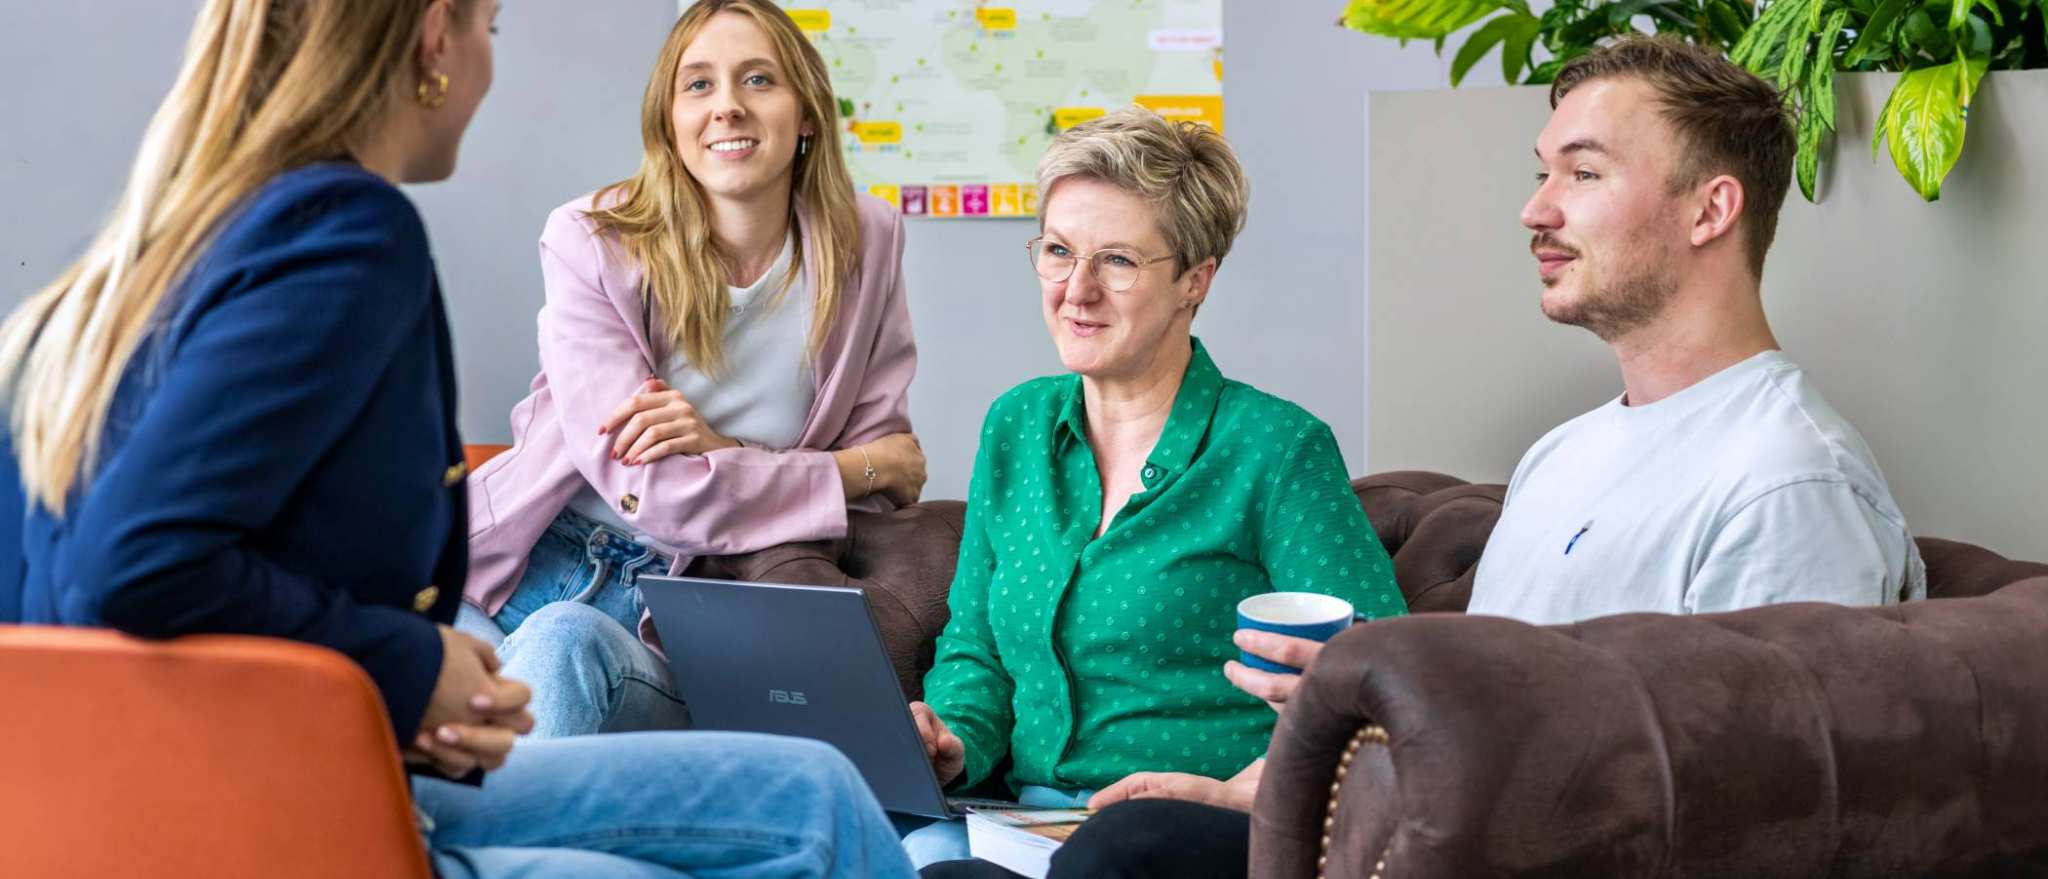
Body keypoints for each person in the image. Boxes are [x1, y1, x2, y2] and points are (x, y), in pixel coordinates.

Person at [0, 1, 912, 875]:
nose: (488, 59)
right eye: (489, 25)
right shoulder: (346, 234)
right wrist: (408, 661)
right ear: (437, 36)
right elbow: (135, 561)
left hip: (118, 808)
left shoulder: (124, 266)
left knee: (794, 795)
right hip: (277, 803)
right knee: (814, 798)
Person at [1002, 36, 1929, 879]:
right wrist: (1259, 787)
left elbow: (1773, 819)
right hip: (1419, 837)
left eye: (1585, 173)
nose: (1536, 208)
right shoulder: (1565, 455)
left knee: (1124, 850)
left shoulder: (1790, 482)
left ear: (1710, 210)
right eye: (1542, 173)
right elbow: (1468, 730)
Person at [906, 107, 1406, 871]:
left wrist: (1253, 785)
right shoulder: (1015, 426)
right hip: (1016, 823)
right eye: (1058, 251)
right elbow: (976, 649)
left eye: (1117, 261)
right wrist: (949, 739)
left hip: (1182, 829)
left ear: (1193, 280)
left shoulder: (1276, 448)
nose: (1076, 289)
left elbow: (1379, 670)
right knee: (869, 835)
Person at [456, 0, 925, 738]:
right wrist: (837, 470)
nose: (727, 107)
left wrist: (718, 453)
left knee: (563, 647)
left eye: (759, 80)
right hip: (509, 578)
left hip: (686, 617)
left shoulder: (867, 240)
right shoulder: (592, 240)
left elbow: (882, 497)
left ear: (806, 113)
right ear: (668, 121)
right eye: (698, 85)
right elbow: (654, 491)